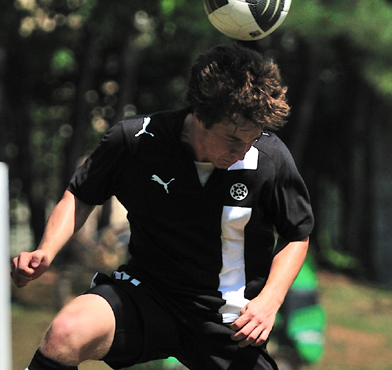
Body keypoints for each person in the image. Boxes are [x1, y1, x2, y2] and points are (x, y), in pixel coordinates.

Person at [11, 43, 314, 370]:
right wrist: (46, 249)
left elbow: (296, 234)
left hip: (228, 318)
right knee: (66, 332)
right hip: (147, 294)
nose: (243, 151)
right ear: (199, 116)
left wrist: (270, 300)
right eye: (233, 140)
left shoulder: (270, 159)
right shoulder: (135, 141)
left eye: (252, 139)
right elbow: (82, 193)